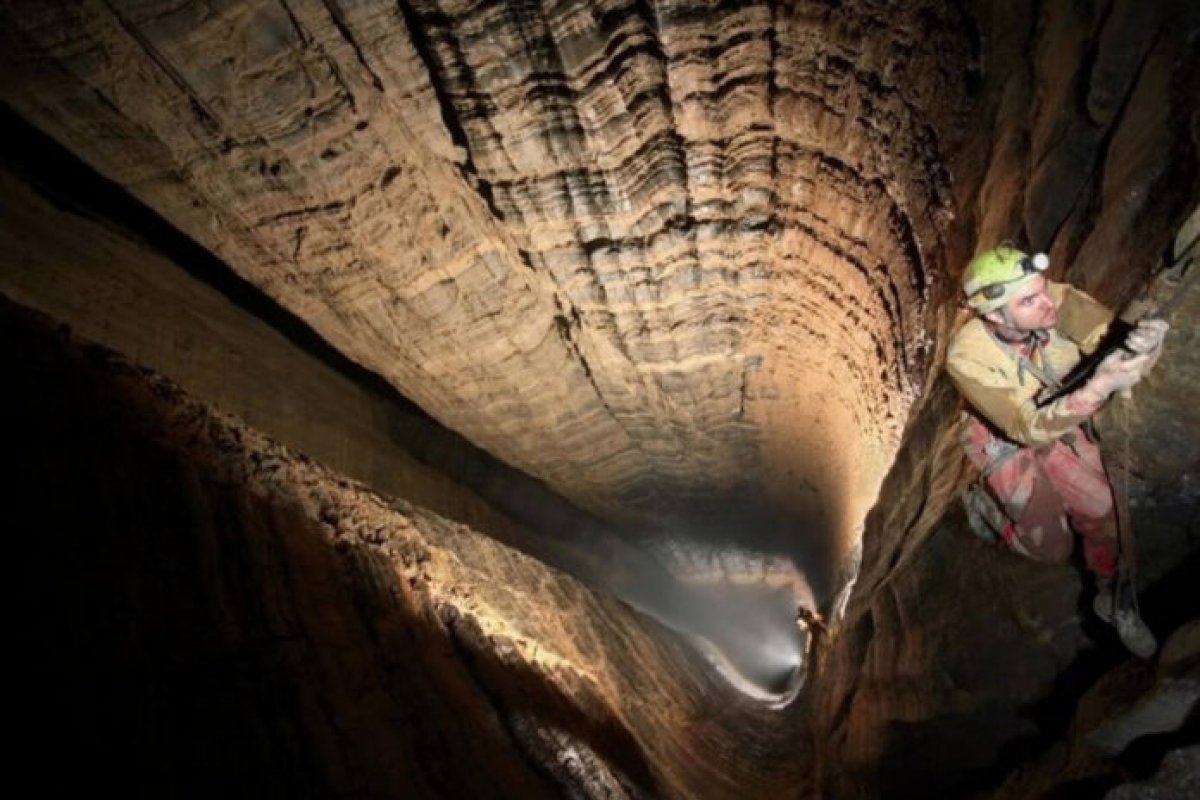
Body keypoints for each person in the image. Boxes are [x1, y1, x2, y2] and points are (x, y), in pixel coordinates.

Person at [946, 245, 1169, 658]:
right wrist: (1098, 388)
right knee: (1052, 548)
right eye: (1029, 301)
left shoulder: (1060, 302)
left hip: (1061, 414)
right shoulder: (966, 356)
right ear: (995, 316)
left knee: (1106, 508)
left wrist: (1144, 347)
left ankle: (1112, 597)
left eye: (1041, 288)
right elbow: (1023, 427)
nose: (1046, 302)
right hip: (1001, 435)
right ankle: (990, 511)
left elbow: (1116, 346)